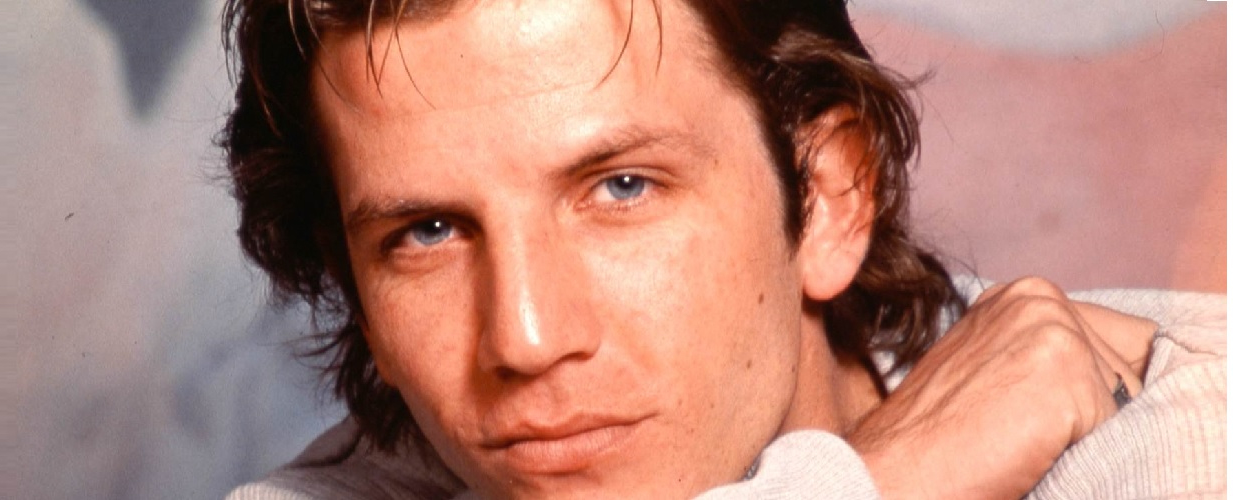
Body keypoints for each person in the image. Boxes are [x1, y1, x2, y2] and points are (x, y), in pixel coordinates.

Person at [215, 0, 1226, 498]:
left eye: (621, 187)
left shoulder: (1178, 435)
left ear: (829, 196)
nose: (524, 338)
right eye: (427, 232)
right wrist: (881, 482)